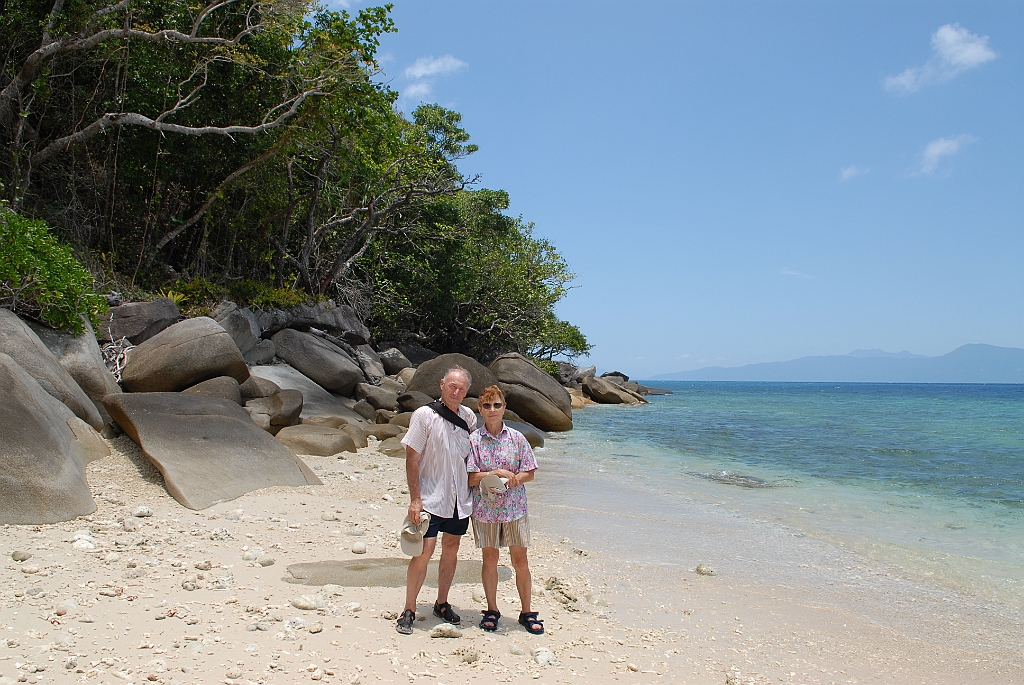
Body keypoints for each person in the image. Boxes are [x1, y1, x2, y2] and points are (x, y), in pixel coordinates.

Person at [396, 365, 477, 635]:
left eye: (461, 388)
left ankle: (441, 602)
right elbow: (412, 458)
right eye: (452, 386)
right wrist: (415, 499)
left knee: (451, 549)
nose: (456, 391)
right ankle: (409, 608)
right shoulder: (424, 415)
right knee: (423, 552)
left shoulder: (469, 418)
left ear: (466, 392)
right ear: (442, 384)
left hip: (459, 500)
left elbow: (473, 460)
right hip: (431, 497)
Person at [466, 384, 543, 635]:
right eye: (487, 406)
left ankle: (526, 612)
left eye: (497, 405)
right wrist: (495, 474)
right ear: (480, 409)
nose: (492, 410)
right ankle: (491, 610)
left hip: (514, 509)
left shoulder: (517, 438)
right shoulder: (474, 440)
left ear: (504, 408)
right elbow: (470, 478)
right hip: (486, 511)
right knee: (490, 560)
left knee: (520, 560)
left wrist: (515, 479)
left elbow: (530, 472)